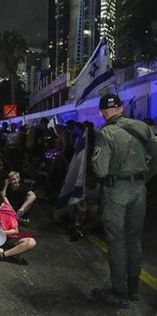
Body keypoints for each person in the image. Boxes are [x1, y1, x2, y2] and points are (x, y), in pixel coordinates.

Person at [91, 94, 156, 308]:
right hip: (139, 190)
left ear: (101, 112)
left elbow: (100, 171)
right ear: (120, 107)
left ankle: (120, 293)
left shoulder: (106, 133)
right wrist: (143, 177)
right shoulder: (142, 127)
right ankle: (134, 289)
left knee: (117, 242)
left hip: (116, 191)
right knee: (134, 239)